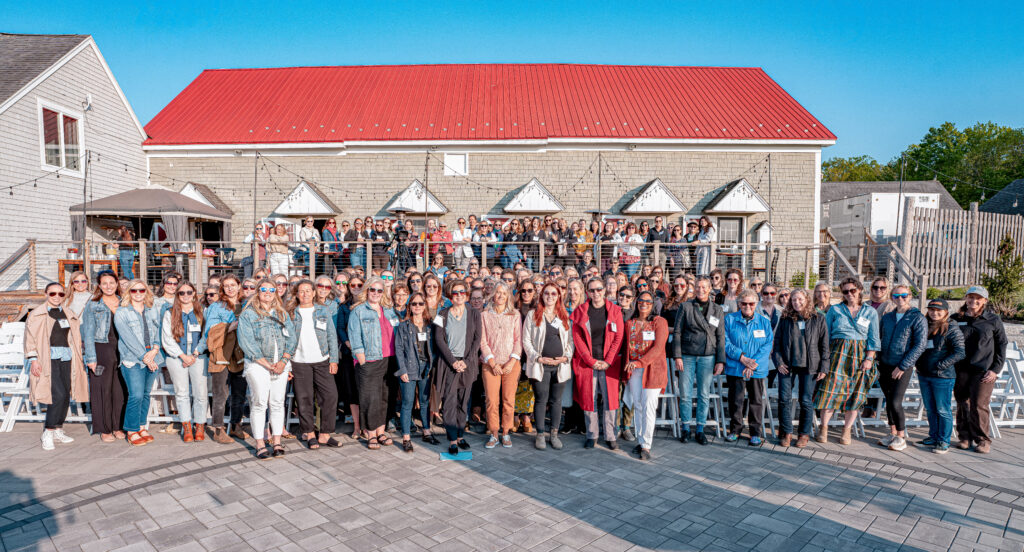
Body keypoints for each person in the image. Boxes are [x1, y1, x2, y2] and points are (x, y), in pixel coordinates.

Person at [814, 277, 880, 445]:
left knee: (855, 395)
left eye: (852, 290)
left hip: (859, 356)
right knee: (829, 392)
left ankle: (846, 430)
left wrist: (869, 358)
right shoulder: (835, 310)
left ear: (860, 290)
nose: (849, 294)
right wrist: (824, 358)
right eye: (845, 291)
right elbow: (825, 336)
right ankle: (823, 428)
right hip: (837, 354)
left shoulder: (870, 312)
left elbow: (873, 339)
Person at [238, 279, 296, 459]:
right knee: (260, 403)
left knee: (277, 403)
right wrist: (267, 364)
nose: (268, 292)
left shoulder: (282, 314)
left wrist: (283, 361)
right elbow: (247, 343)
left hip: (280, 365)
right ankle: (260, 443)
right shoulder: (248, 314)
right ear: (258, 291)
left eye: (272, 289)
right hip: (258, 365)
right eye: (264, 289)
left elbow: (292, 338)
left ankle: (277, 441)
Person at [25, 283, 88, 450]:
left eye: (60, 294)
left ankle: (58, 428)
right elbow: (30, 339)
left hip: (67, 356)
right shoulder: (37, 314)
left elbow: (74, 336)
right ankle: (48, 431)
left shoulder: (68, 313)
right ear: (46, 293)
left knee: (66, 394)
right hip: (47, 358)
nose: (57, 296)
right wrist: (33, 359)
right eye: (53, 293)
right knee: (57, 394)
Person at [952, 285, 1008, 454]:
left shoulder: (993, 319)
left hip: (983, 370)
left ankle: (983, 440)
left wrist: (995, 370)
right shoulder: (956, 318)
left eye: (978, 298)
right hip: (960, 368)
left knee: (979, 404)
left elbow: (1002, 344)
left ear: (984, 301)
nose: (974, 301)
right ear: (966, 298)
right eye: (971, 297)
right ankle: (964, 437)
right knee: (962, 402)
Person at [771, 289, 829, 448]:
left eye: (800, 299)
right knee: (784, 399)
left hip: (810, 365)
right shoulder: (785, 318)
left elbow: (824, 346)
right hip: (787, 365)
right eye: (794, 300)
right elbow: (777, 343)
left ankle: (804, 434)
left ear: (807, 300)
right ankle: (786, 432)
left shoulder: (818, 318)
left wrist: (824, 367)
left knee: (806, 400)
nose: (797, 302)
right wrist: (779, 362)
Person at [571, 277, 625, 450]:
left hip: (609, 363)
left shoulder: (615, 311)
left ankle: (610, 435)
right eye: (592, 290)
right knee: (589, 398)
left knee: (611, 400)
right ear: (587, 292)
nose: (596, 293)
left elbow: (618, 337)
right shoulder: (580, 311)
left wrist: (608, 361)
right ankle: (591, 434)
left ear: (604, 290)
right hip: (588, 363)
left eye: (599, 289)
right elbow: (577, 338)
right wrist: (590, 360)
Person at [672, 276, 726, 445]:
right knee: (685, 394)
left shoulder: (717, 309)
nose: (700, 290)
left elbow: (720, 336)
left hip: (707, 355)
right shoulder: (686, 306)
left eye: (704, 287)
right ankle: (686, 427)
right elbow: (677, 332)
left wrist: (720, 360)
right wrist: (677, 356)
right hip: (687, 355)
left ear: (709, 289)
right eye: (697, 287)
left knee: (703, 394)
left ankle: (700, 429)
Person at [288, 280, 341, 449]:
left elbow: (331, 335)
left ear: (313, 293)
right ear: (297, 294)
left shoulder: (322, 310)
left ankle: (325, 434)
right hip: (299, 362)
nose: (305, 294)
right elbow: (285, 339)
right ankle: (309, 433)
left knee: (330, 396)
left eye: (308, 291)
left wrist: (334, 359)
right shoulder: (291, 313)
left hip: (322, 360)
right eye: (301, 291)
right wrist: (287, 364)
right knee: (304, 398)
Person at [433, 279, 483, 455]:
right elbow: (438, 339)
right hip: (449, 364)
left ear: (467, 295)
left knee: (463, 401)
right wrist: (453, 361)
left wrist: (466, 361)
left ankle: (461, 435)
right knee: (449, 402)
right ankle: (452, 439)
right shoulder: (442, 314)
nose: (459, 295)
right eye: (455, 292)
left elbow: (477, 339)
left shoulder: (475, 314)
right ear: (450, 295)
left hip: (467, 364)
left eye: (462, 292)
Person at [348, 276, 399, 450]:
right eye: (372, 289)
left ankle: (381, 431)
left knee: (385, 397)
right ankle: (370, 433)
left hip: (390, 359)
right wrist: (361, 358)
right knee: (370, 398)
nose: (376, 293)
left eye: (379, 290)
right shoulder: (358, 311)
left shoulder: (389, 310)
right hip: (370, 359)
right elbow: (354, 336)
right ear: (367, 290)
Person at [522, 283, 573, 450]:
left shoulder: (563, 315)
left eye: (553, 293)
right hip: (540, 365)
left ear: (559, 296)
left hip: (560, 365)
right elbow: (526, 340)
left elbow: (570, 341)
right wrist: (537, 357)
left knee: (556, 401)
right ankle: (540, 434)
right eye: (546, 293)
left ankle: (554, 434)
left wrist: (565, 357)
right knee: (541, 400)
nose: (550, 296)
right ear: (541, 296)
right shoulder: (533, 315)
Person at [876, 285, 928, 451]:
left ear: (910, 296)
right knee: (888, 400)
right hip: (885, 364)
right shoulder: (888, 317)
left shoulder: (917, 317)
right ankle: (892, 433)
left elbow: (920, 345)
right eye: (896, 296)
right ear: (891, 297)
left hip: (902, 365)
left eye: (904, 295)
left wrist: (903, 366)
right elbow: (879, 337)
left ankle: (901, 435)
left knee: (895, 401)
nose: (900, 298)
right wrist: (877, 359)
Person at [114, 279, 164, 446]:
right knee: (135, 395)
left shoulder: (152, 309)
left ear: (146, 292)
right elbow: (128, 339)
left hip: (153, 356)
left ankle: (142, 426)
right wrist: (145, 357)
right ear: (128, 292)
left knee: (145, 394)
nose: (138, 293)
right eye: (134, 290)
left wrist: (155, 349)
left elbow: (159, 331)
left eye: (141, 290)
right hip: (133, 359)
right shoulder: (122, 312)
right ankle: (131, 430)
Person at [722, 290, 773, 445]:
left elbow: (767, 345)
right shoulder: (729, 319)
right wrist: (742, 358)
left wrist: (752, 364)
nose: (747, 306)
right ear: (739, 303)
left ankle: (755, 432)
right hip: (736, 366)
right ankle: (735, 430)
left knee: (756, 401)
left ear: (756, 304)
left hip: (756, 369)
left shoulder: (764, 322)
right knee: (736, 400)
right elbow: (725, 342)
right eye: (744, 303)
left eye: (751, 303)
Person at [81, 270, 127, 442]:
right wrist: (91, 358)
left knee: (120, 390)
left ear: (117, 284)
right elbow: (88, 333)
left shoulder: (125, 302)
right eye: (104, 283)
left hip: (122, 349)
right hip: (101, 348)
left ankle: (117, 426)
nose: (108, 286)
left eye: (111, 283)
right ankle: (104, 429)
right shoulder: (93, 305)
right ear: (99, 285)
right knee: (102, 390)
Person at [916, 299, 965, 454]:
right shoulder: (924, 325)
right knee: (930, 409)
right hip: (924, 374)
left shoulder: (951, 328)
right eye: (931, 309)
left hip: (942, 376)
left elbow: (960, 352)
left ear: (946, 312)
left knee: (943, 410)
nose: (934, 313)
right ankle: (933, 436)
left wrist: (941, 365)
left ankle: (944, 440)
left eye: (938, 310)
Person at [160, 281, 208, 443]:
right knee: (181, 393)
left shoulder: (202, 311)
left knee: (200, 393)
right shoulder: (170, 313)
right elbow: (167, 338)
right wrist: (182, 356)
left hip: (198, 356)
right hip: (177, 357)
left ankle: (199, 425)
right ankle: (186, 426)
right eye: (182, 293)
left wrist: (195, 353)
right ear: (177, 295)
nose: (186, 295)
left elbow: (206, 335)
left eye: (189, 292)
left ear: (194, 293)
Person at [203, 275, 249, 443]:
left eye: (233, 285)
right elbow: (210, 331)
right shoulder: (216, 306)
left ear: (239, 286)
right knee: (220, 394)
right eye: (226, 286)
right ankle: (218, 429)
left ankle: (236, 425)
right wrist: (230, 326)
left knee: (239, 393)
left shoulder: (246, 304)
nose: (230, 288)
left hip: (240, 354)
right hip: (221, 354)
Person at [624, 290, 669, 460]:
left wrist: (639, 363)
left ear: (653, 305)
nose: (644, 304)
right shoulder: (630, 323)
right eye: (641, 301)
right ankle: (641, 439)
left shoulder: (659, 322)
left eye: (648, 302)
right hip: (634, 369)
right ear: (636, 302)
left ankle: (646, 445)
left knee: (649, 406)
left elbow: (658, 348)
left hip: (653, 369)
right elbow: (626, 347)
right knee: (637, 405)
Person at [478, 282, 523, 449]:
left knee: (508, 400)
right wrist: (492, 362)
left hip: (511, 364)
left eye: (504, 293)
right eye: (498, 292)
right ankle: (494, 433)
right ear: (493, 295)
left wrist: (512, 362)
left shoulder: (515, 314)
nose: (501, 296)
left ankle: (506, 432)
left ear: (508, 296)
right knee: (491, 400)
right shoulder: (484, 315)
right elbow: (482, 341)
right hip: (491, 364)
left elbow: (518, 340)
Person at [394, 292, 438, 452]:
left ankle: (426, 431)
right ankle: (406, 438)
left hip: (426, 367)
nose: (417, 306)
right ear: (409, 307)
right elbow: (398, 349)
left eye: (420, 303)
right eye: (414, 304)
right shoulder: (403, 326)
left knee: (425, 401)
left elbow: (435, 347)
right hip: (409, 367)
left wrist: (431, 365)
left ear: (425, 306)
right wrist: (402, 370)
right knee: (407, 403)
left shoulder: (430, 325)